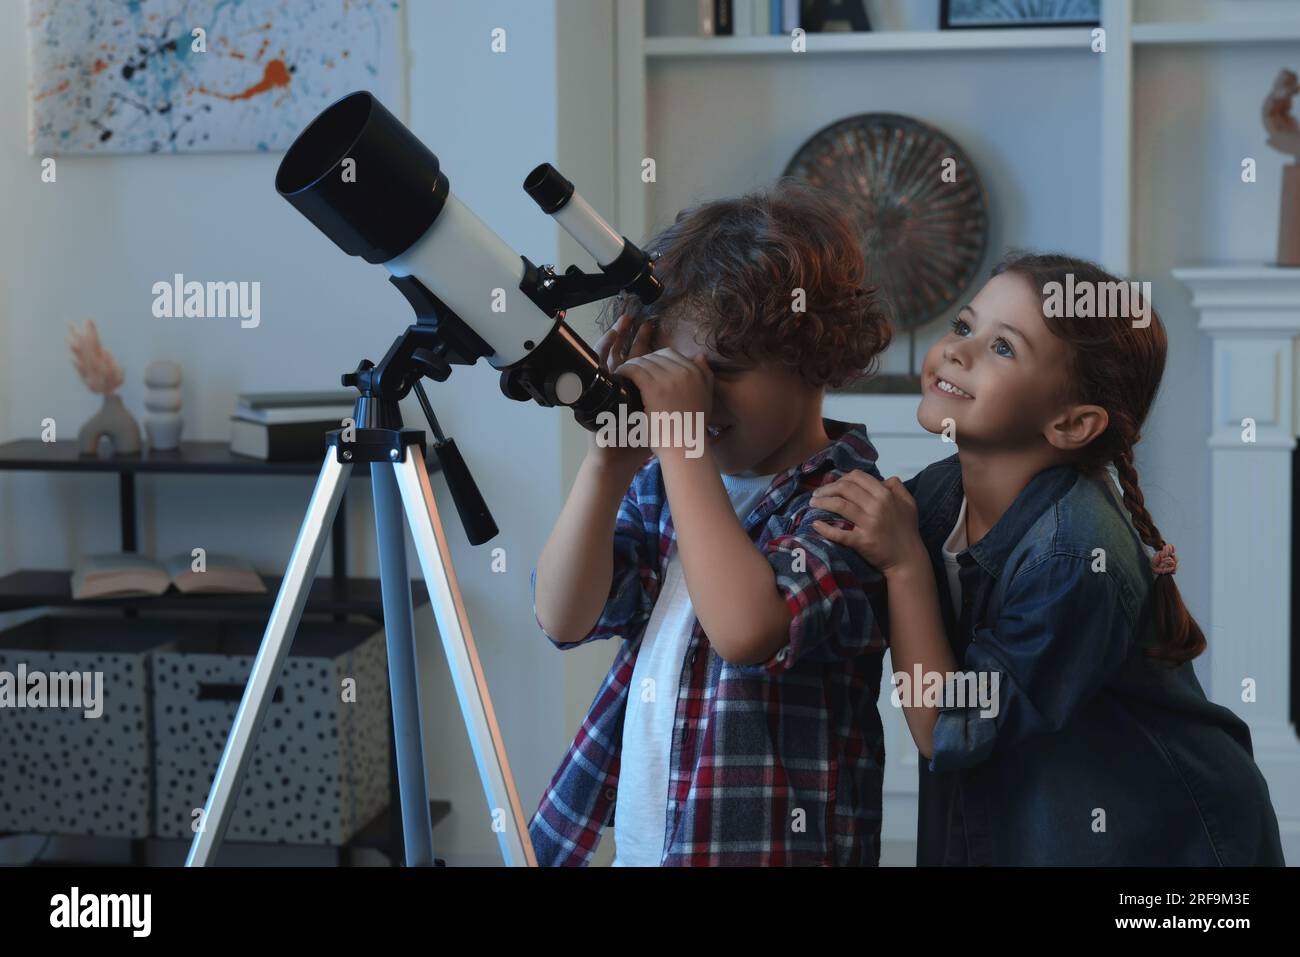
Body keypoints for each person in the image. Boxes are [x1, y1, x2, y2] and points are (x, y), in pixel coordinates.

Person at [810, 251, 1285, 865]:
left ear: (1071, 423)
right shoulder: (933, 495)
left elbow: (947, 727)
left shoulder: (1074, 554)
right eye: (964, 327)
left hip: (1173, 847)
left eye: (1003, 348)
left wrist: (904, 567)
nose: (959, 350)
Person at [528, 179, 894, 865]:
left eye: (722, 368)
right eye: (674, 372)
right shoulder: (662, 482)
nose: (694, 398)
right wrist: (606, 466)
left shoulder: (852, 506)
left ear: (814, 358)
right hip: (652, 841)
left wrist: (682, 448)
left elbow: (747, 629)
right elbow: (562, 616)